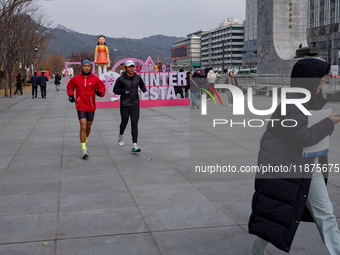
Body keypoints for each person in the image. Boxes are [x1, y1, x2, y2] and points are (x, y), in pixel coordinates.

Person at [248, 58, 340, 255]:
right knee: (275, 213)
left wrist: (325, 123)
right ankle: (255, 253)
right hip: (288, 168)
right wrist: (329, 123)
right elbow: (303, 137)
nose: (322, 86)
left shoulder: (308, 102)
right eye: (321, 81)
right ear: (309, 81)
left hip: (306, 166)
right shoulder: (291, 104)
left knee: (324, 214)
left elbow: (312, 134)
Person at [67, 58, 106, 159]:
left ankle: (85, 140)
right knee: (83, 126)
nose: (86, 67)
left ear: (90, 67)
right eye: (85, 66)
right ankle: (84, 149)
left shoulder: (95, 78)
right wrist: (71, 95)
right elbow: (70, 86)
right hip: (80, 104)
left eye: (88, 66)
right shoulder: (76, 78)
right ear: (81, 67)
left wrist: (99, 93)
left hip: (91, 105)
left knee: (88, 126)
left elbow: (102, 87)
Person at [113, 60, 146, 152]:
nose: (132, 69)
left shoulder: (137, 77)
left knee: (134, 124)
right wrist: (123, 91)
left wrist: (144, 89)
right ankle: (121, 135)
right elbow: (115, 90)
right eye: (129, 67)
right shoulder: (121, 79)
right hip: (125, 104)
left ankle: (135, 145)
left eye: (133, 67)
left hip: (135, 104)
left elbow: (142, 85)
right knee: (124, 122)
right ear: (126, 68)